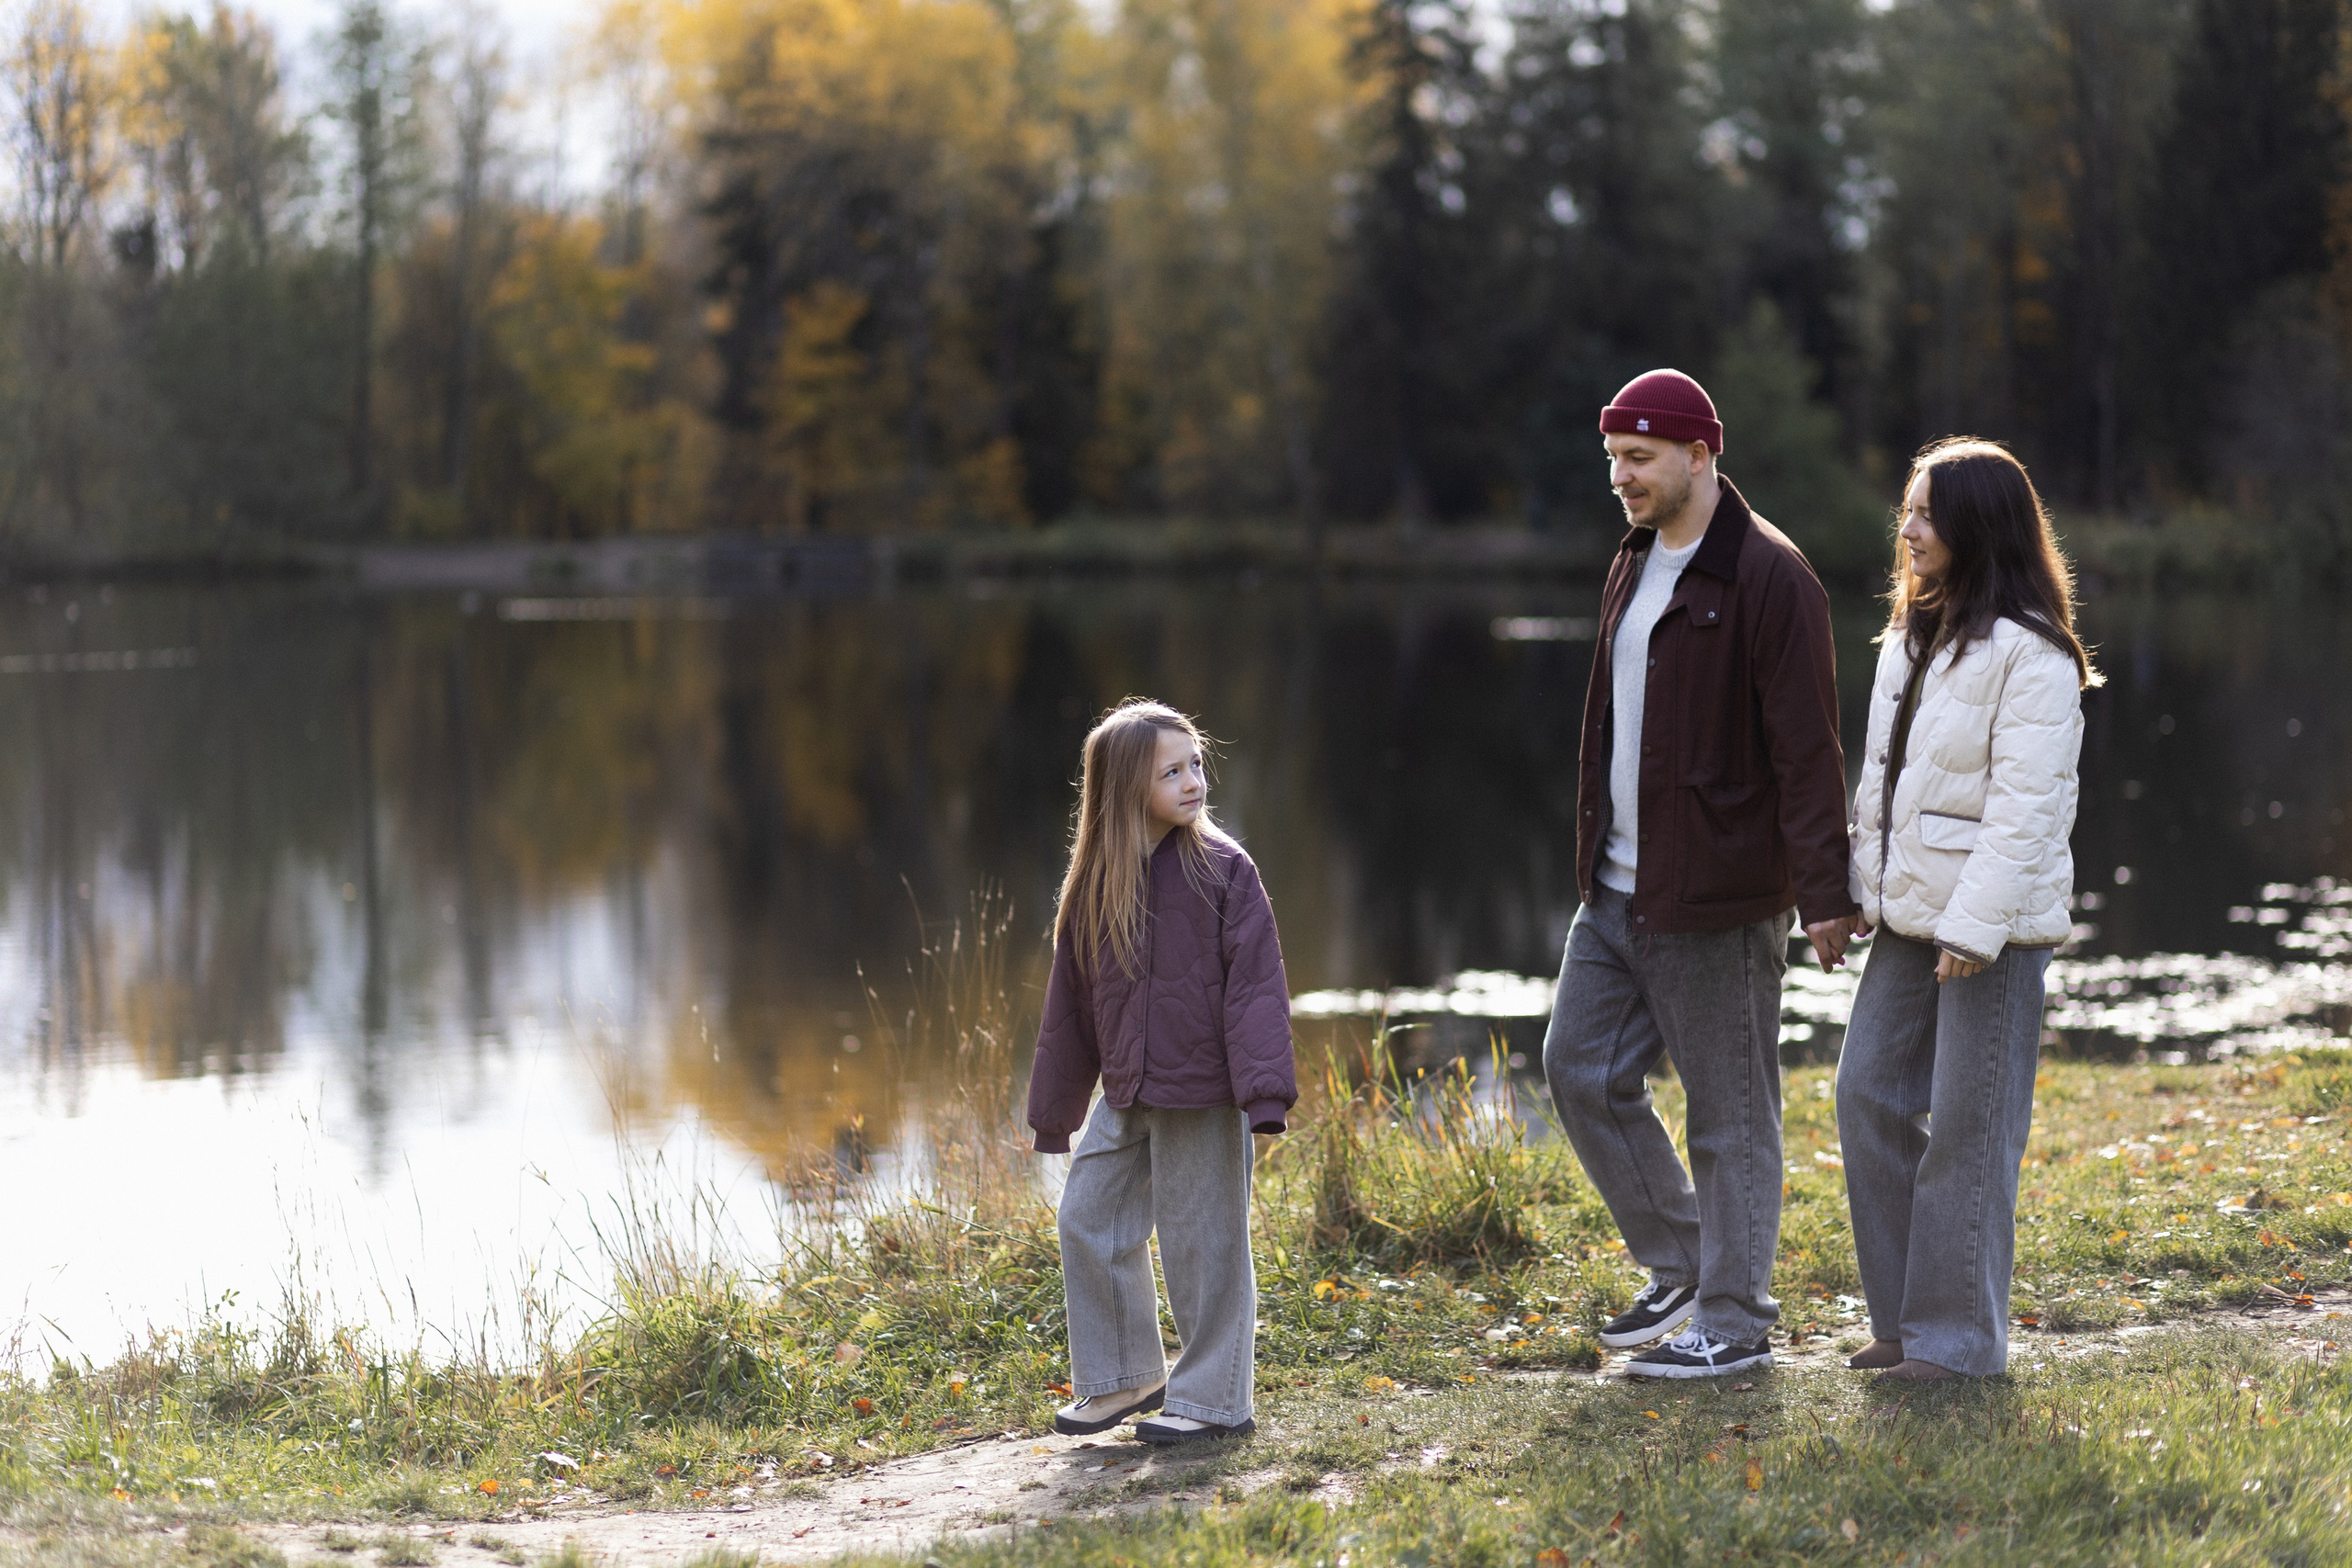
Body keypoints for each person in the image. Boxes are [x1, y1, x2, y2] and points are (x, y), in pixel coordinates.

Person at [1544, 369, 1860, 1380]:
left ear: (1698, 454)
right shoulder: (1632, 558)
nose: (1621, 479)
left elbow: (1808, 752)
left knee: (1729, 1116)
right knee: (1578, 1069)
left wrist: (1824, 895)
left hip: (1719, 899)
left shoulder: (1772, 579)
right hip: (1617, 890)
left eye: (1638, 460)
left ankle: (1734, 1319)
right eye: (1612, 462)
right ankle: (1682, 1261)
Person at [1835, 439, 2097, 1382]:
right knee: (1864, 1094)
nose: (1906, 529)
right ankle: (1905, 1328)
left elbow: (2025, 809)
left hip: (1990, 933)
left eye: (1926, 513)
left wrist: (1973, 929)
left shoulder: (2032, 656)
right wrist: (1861, 888)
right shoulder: (1913, 637)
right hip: (1908, 919)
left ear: (1978, 526)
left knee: (1969, 1136)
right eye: (1905, 508)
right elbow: (1881, 781)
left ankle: (1957, 1347)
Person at [1025, 699, 1296, 1441]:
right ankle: (1124, 1376)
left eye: (1196, 764)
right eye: (1171, 771)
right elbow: (1069, 1010)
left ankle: (1213, 1401)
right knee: (1088, 1216)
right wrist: (1056, 1110)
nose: (1192, 781)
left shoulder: (1223, 871)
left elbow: (1257, 987)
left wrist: (1264, 1090)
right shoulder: (1095, 885)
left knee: (1204, 1245)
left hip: (1205, 1093)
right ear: (1121, 789)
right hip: (1129, 1088)